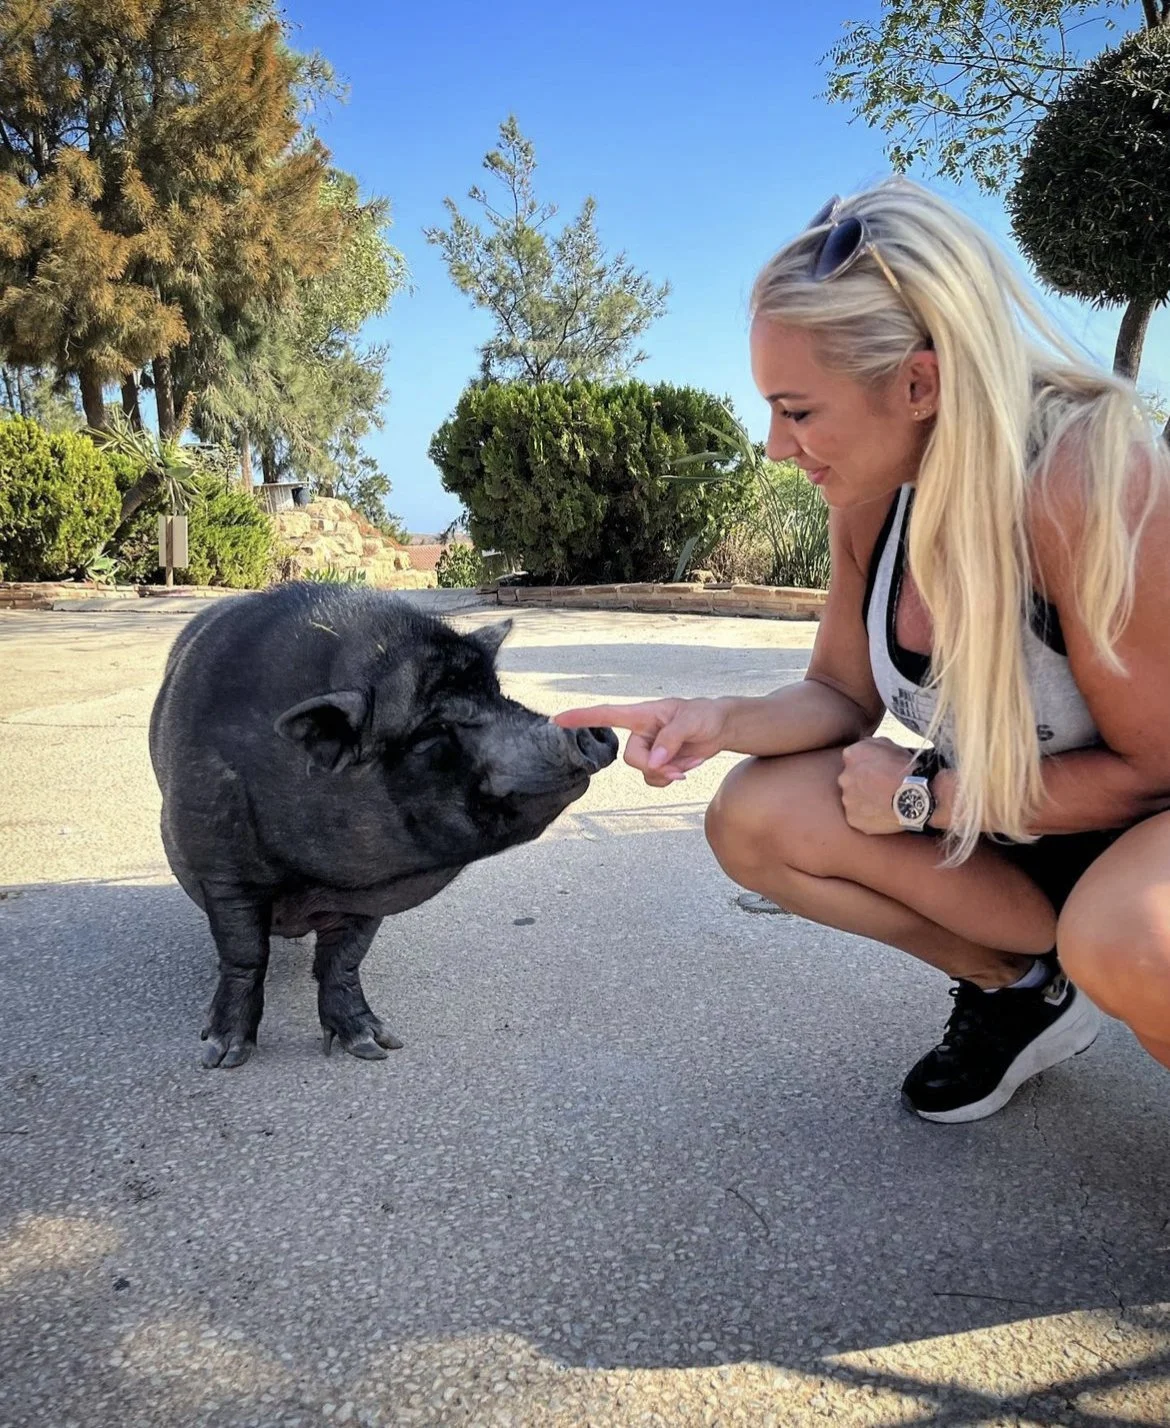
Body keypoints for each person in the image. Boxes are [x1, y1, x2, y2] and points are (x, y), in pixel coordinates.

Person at [554, 178, 1170, 1123]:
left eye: (797, 411)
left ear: (919, 385)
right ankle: (1021, 990)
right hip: (1016, 830)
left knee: (1132, 942)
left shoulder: (1083, 482)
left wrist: (924, 796)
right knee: (755, 815)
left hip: (1140, 830)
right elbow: (841, 695)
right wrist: (714, 718)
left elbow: (1150, 770)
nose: (774, 447)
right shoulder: (874, 498)